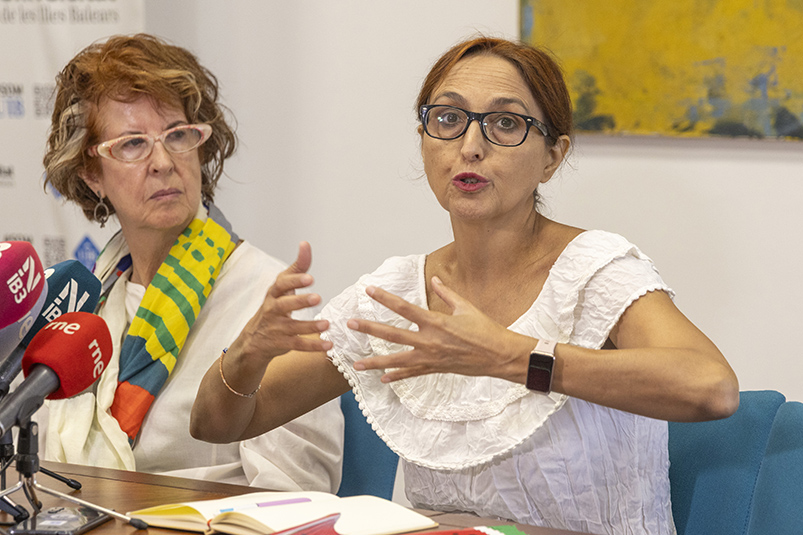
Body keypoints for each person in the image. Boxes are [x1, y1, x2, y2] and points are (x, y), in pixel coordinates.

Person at [190, 36, 739, 534]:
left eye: (506, 124)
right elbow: (217, 424)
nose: (471, 146)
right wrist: (249, 350)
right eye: (449, 118)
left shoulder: (592, 269)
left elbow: (711, 387)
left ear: (553, 156)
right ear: (424, 140)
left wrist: (512, 357)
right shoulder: (396, 295)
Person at [41, 33, 343, 492]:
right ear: (91, 173)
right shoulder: (87, 298)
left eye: (178, 135)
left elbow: (296, 493)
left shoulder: (269, 302)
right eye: (132, 144)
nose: (163, 161)